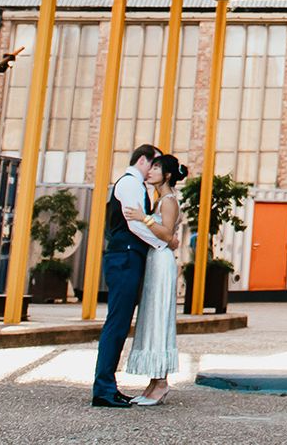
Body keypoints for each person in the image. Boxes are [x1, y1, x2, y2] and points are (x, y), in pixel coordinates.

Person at [91, 144, 175, 408]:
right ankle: (103, 388)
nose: (153, 170)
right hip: (125, 256)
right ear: (143, 161)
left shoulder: (142, 188)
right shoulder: (129, 184)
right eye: (153, 164)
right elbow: (134, 223)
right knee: (117, 322)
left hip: (131, 256)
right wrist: (165, 242)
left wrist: (164, 240)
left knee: (121, 321)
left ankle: (108, 385)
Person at [121, 153, 186, 404]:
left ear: (167, 175)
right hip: (156, 259)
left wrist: (143, 218)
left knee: (159, 316)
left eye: (156, 167)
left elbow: (168, 235)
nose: (150, 171)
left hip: (162, 261)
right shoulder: (159, 200)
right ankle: (153, 382)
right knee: (152, 315)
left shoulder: (168, 201)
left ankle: (161, 383)